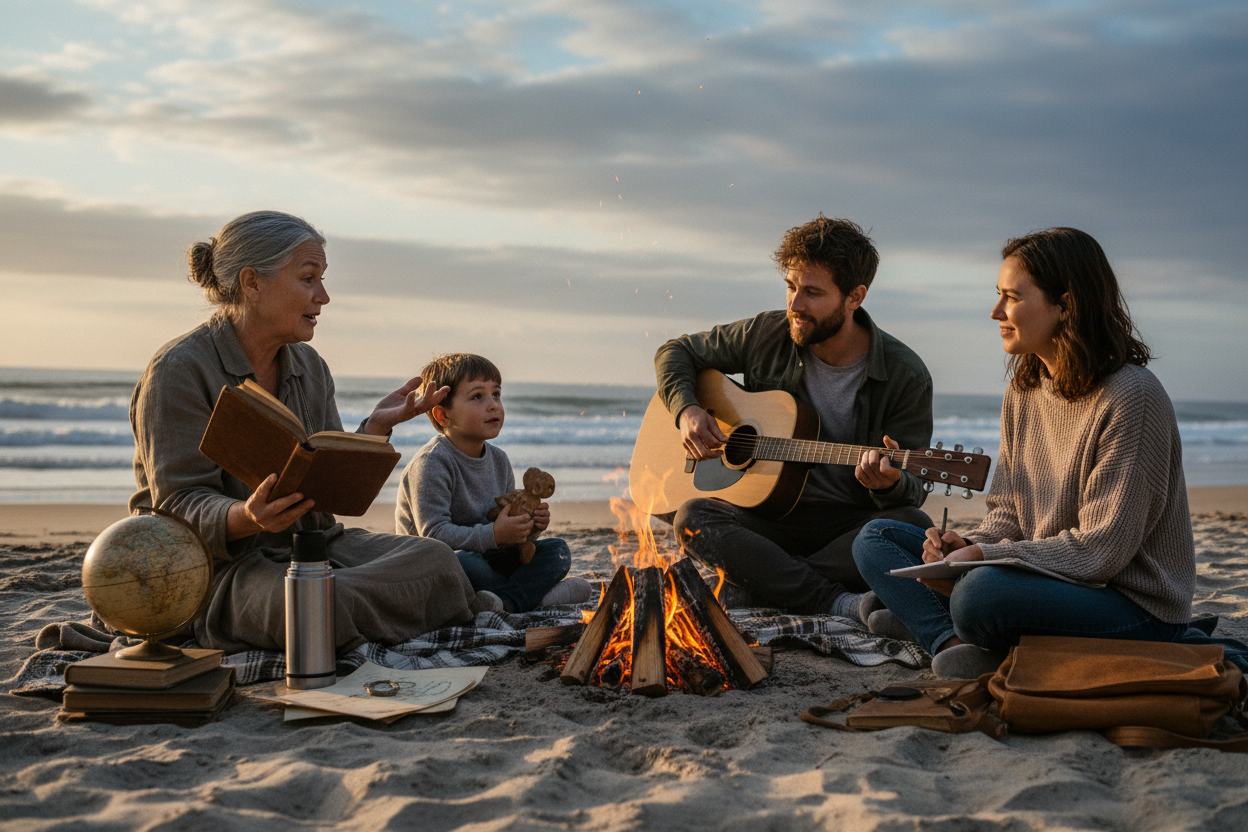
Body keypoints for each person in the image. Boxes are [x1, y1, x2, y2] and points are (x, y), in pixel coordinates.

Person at [853, 226, 1248, 677]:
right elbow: (1009, 514)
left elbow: (1102, 551)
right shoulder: (1024, 390)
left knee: (978, 594)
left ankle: (943, 626)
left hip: (1130, 603)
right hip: (1048, 578)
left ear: (1065, 305)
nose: (995, 311)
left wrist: (984, 560)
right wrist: (969, 545)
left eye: (1012, 297)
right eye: (997, 296)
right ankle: (950, 637)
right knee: (875, 540)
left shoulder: (1131, 397)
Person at [130, 210, 489, 656]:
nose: (323, 296)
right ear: (252, 283)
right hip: (221, 569)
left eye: (321, 279)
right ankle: (370, 614)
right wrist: (248, 516)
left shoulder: (309, 367)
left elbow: (326, 474)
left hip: (314, 546)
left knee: (436, 562)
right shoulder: (179, 371)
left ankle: (364, 610)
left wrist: (376, 427)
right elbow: (176, 508)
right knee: (316, 605)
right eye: (308, 278)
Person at [654, 215, 933, 621]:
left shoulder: (906, 375)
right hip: (763, 520)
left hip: (842, 529)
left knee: (912, 525)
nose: (795, 305)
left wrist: (889, 484)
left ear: (855, 297)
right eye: (790, 287)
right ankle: (831, 601)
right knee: (692, 517)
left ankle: (764, 580)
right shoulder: (766, 332)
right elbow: (675, 352)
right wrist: (686, 409)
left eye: (812, 293)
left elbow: (914, 486)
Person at [395, 353, 592, 612]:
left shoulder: (499, 460)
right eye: (478, 396)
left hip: (489, 556)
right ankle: (531, 597)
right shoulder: (431, 463)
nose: (493, 405)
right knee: (467, 563)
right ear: (442, 415)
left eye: (496, 395)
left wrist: (529, 527)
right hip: (435, 568)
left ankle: (506, 601)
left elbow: (504, 527)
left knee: (557, 550)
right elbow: (434, 536)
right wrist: (495, 534)